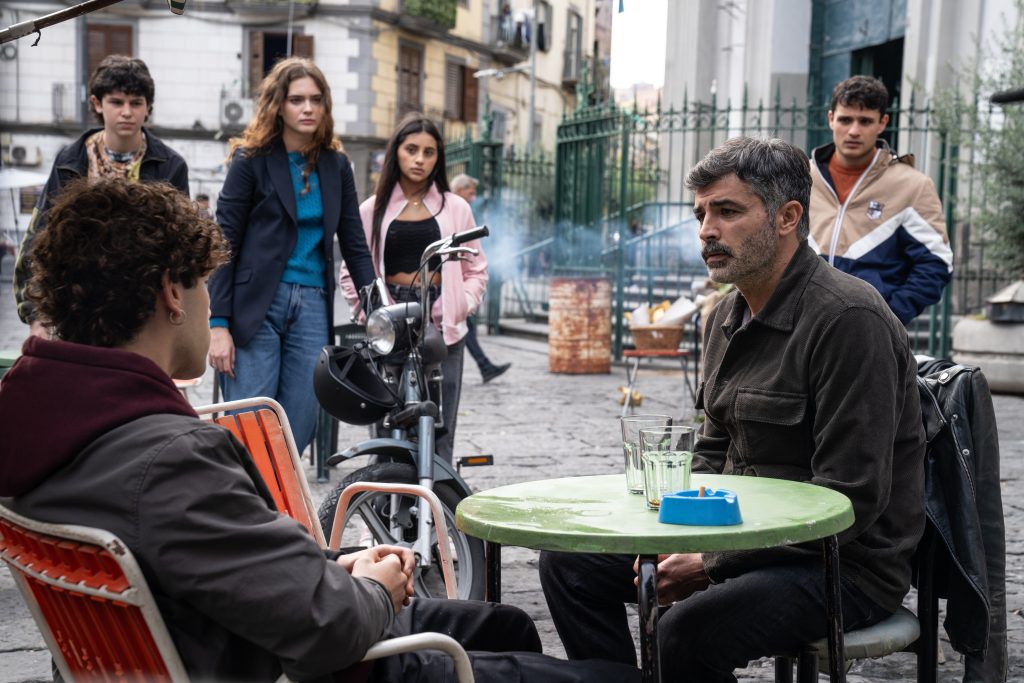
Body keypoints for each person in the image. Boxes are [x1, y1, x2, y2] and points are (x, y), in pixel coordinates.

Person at [0, 178, 639, 683]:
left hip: (220, 635)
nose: (205, 298)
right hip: (298, 663)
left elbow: (220, 565)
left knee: (502, 624)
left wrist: (335, 564)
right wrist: (373, 588)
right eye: (202, 281)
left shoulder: (46, 422)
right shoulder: (169, 457)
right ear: (172, 291)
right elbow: (327, 628)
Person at [539, 137, 926, 681]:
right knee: (570, 565)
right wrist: (663, 530)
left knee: (686, 631)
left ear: (788, 216)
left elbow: (849, 501)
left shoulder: (848, 319)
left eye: (727, 211)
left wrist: (710, 563)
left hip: (841, 562)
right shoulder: (721, 318)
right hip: (743, 538)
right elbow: (713, 452)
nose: (706, 231)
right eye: (701, 214)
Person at [208, 57, 375, 454]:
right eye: (297, 99)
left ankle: (275, 504)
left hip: (313, 304)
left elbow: (354, 241)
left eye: (316, 100)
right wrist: (218, 324)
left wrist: (375, 301)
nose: (308, 108)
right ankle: (249, 509)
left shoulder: (337, 166)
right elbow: (222, 242)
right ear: (278, 105)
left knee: (300, 421)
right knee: (250, 421)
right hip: (256, 307)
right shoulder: (251, 161)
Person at [340, 114, 486, 463]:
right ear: (397, 153)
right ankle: (382, 505)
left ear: (439, 159)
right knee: (388, 426)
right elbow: (351, 270)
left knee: (440, 426)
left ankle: (438, 510)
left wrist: (462, 304)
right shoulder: (370, 210)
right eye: (411, 150)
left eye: (429, 152)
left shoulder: (456, 208)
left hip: (442, 321)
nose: (420, 159)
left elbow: (476, 269)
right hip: (389, 319)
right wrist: (369, 314)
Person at [13, 54, 189, 339]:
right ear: (97, 104)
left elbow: (180, 248)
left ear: (148, 108)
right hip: (80, 303)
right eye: (117, 102)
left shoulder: (170, 166)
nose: (127, 112)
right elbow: (41, 239)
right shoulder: (71, 160)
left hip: (144, 310)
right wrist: (37, 317)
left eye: (136, 103)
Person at [810, 74, 953, 324]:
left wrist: (889, 316)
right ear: (831, 119)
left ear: (882, 123)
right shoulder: (802, 178)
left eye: (865, 121)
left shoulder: (911, 185)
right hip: (801, 324)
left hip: (865, 331)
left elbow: (936, 263)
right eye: (845, 120)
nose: (853, 131)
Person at [450, 173, 511, 383]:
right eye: (471, 192)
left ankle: (485, 366)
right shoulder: (452, 209)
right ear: (459, 190)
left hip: (460, 280)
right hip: (450, 280)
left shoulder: (462, 210)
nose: (473, 197)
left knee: (468, 328)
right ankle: (485, 367)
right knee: (464, 327)